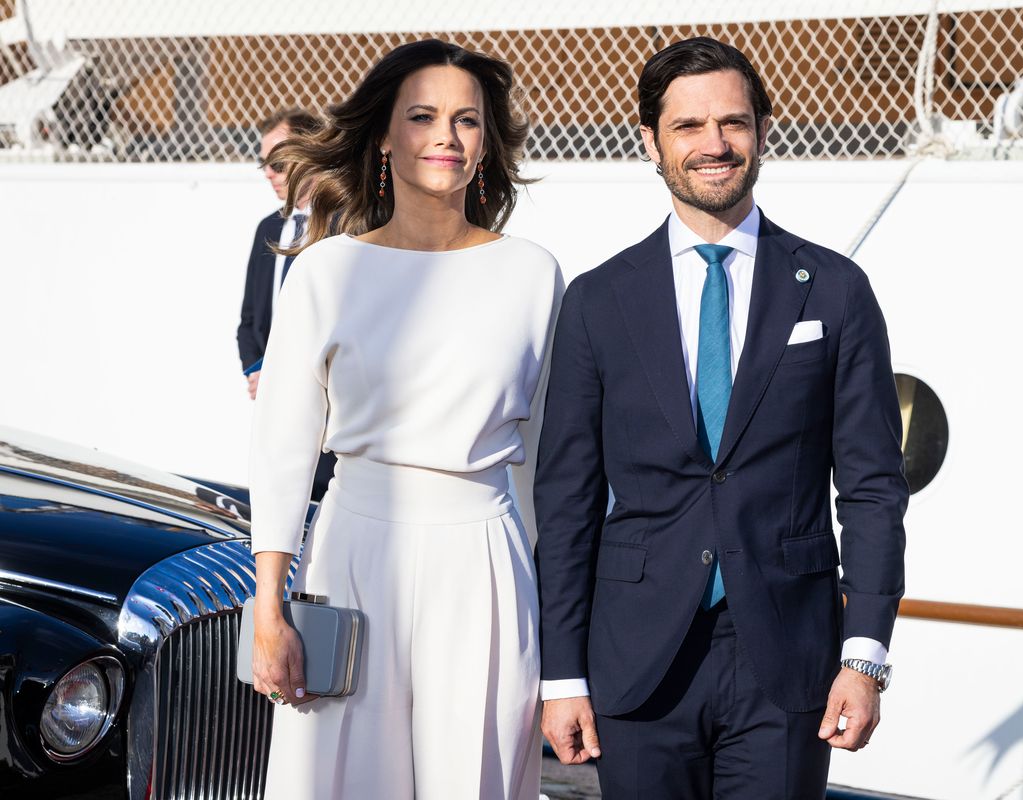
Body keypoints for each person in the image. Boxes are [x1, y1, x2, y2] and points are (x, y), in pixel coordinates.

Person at [535, 37, 908, 798]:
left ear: (762, 130)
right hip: (637, 661)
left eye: (734, 123)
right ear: (650, 141)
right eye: (688, 127)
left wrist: (863, 657)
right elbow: (567, 502)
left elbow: (871, 488)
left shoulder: (834, 290)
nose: (714, 145)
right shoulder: (598, 301)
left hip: (789, 661)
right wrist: (561, 674)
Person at [248, 39, 560, 799]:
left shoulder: (533, 274)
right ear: (385, 134)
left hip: (485, 564)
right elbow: (284, 449)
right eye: (422, 117)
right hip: (354, 552)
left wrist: (558, 624)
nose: (446, 138)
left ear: (488, 142)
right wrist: (270, 611)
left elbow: (547, 464)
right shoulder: (326, 270)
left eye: (466, 121)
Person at [236, 108, 336, 501]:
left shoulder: (345, 225)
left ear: (311, 154)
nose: (269, 173)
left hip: (327, 408)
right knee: (278, 503)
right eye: (265, 164)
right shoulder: (269, 228)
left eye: (278, 163)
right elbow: (250, 320)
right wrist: (259, 369)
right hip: (275, 409)